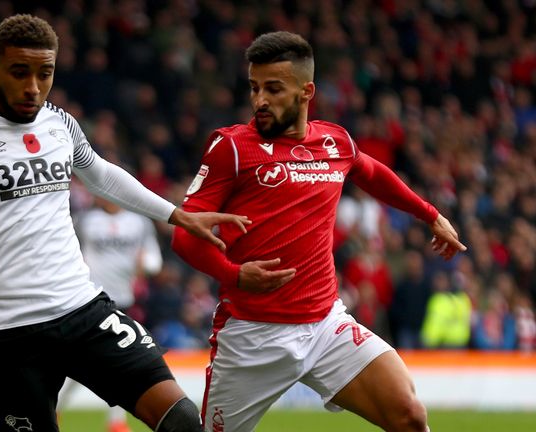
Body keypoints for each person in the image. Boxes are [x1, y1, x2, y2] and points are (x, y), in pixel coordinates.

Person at [0, 14, 250, 432]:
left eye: (45, 73)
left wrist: (176, 214)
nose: (33, 87)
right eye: (20, 72)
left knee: (182, 420)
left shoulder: (61, 123)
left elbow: (103, 175)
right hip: (7, 335)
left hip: (83, 310)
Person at [171, 31, 467, 432]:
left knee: (410, 415)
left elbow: (372, 173)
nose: (260, 100)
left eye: (273, 89)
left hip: (326, 325)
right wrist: (234, 274)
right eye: (255, 87)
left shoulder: (335, 141)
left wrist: (430, 215)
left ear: (306, 91)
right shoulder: (232, 148)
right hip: (252, 335)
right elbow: (184, 235)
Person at [58, 196, 163, 432]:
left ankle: (115, 422)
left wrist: (144, 264)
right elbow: (68, 252)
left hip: (124, 301)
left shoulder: (139, 222)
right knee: (84, 360)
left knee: (118, 361)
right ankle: (57, 407)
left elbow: (154, 260)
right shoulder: (86, 220)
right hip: (89, 298)